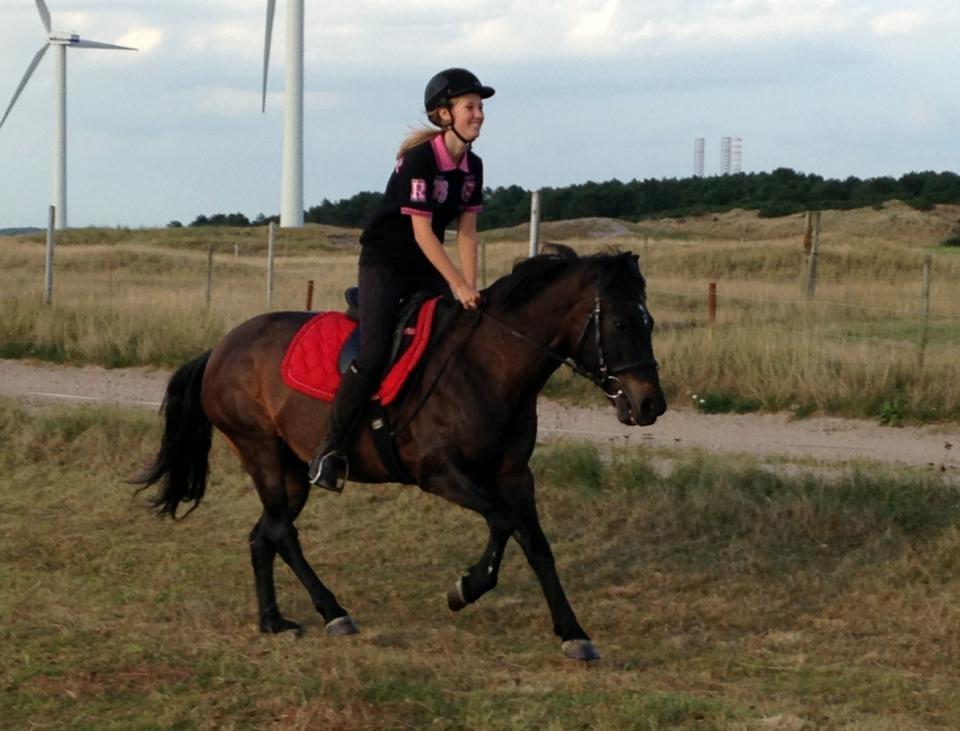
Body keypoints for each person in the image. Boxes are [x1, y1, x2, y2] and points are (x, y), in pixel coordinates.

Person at [308, 68, 494, 491]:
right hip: (386, 262)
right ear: (444, 114)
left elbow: (467, 232)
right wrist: (456, 285)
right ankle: (330, 450)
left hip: (424, 265)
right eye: (470, 107)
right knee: (374, 352)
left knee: (454, 332)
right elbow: (423, 232)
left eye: (481, 107)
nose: (479, 114)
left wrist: (470, 288)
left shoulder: (474, 166)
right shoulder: (420, 159)